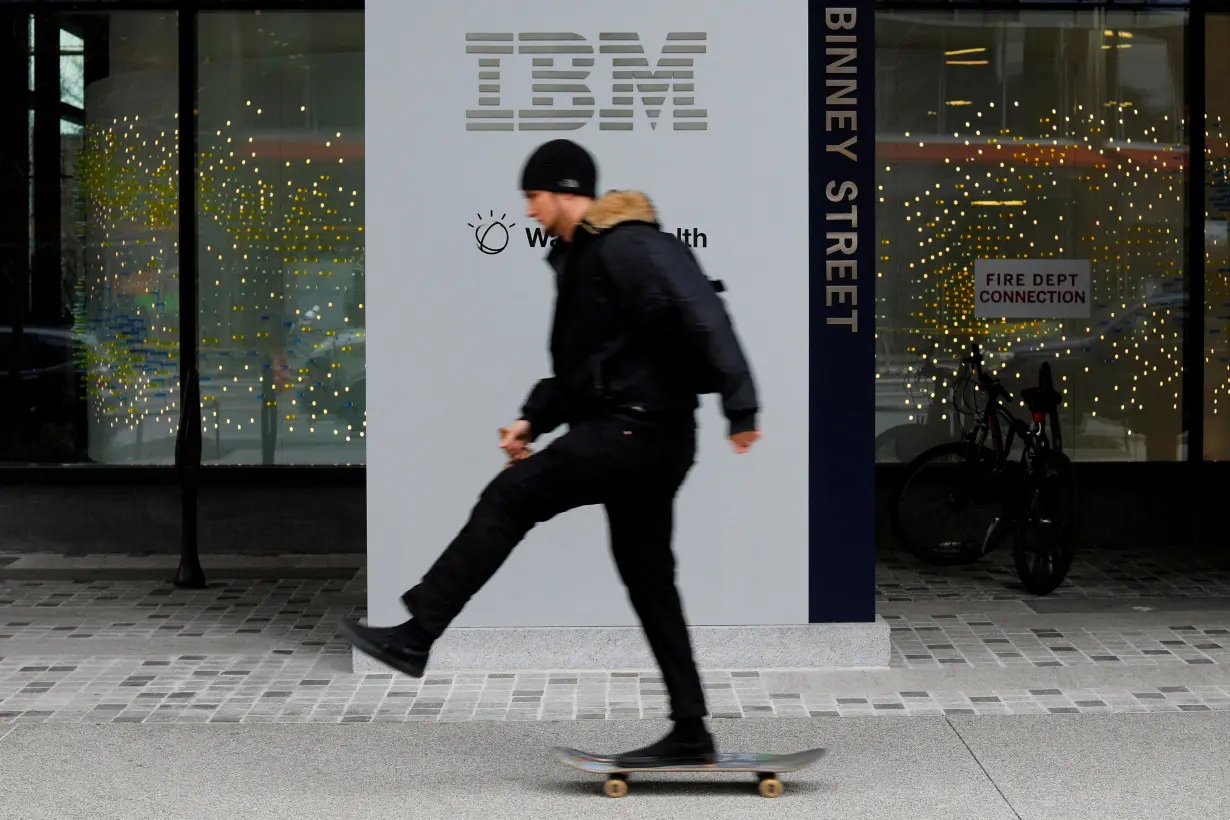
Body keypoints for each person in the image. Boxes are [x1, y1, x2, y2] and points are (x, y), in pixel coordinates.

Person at [337, 138, 760, 766]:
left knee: (511, 497)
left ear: (566, 192)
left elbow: (703, 313)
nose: (529, 211)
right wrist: (531, 419)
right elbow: (587, 369)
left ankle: (418, 634)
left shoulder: (631, 245)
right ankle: (692, 732)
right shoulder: (585, 258)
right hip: (642, 434)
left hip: (635, 432)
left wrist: (741, 404)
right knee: (649, 580)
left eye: (533, 197)